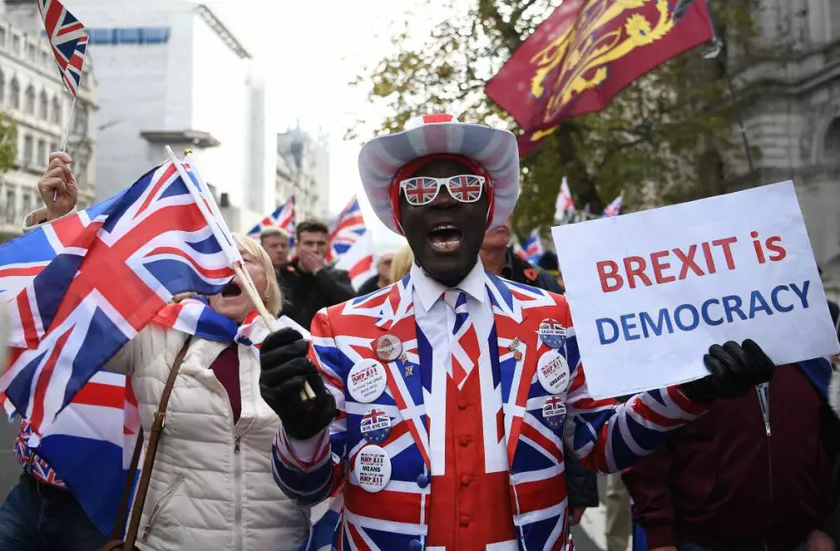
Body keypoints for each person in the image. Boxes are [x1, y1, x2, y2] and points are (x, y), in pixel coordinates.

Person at [258, 114, 773, 550]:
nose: (441, 201)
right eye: (420, 189)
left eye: (463, 187)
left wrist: (692, 389)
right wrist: (301, 431)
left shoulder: (556, 316)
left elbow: (603, 446)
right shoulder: (341, 327)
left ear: (488, 211)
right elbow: (307, 487)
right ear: (399, 214)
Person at [0, 152, 310, 551]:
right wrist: (61, 222)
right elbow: (77, 305)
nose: (232, 265)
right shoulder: (160, 335)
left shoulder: (300, 347)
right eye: (222, 258)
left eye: (245, 260)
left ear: (266, 282)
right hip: (172, 541)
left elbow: (320, 456)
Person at [623, 357, 838, 551]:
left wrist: (822, 525)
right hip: (702, 540)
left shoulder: (807, 351)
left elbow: (827, 439)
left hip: (798, 540)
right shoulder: (679, 353)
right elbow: (647, 449)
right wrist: (660, 539)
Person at [480, 214, 598, 525]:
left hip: (535, 473)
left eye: (507, 208)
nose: (502, 219)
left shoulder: (540, 283)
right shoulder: (443, 284)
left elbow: (567, 393)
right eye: (492, 210)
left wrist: (579, 488)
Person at [277, 219, 355, 329]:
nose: (315, 249)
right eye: (309, 243)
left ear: (327, 246)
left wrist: (319, 272)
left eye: (321, 243)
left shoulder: (338, 276)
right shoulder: (281, 275)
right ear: (297, 246)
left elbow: (351, 305)